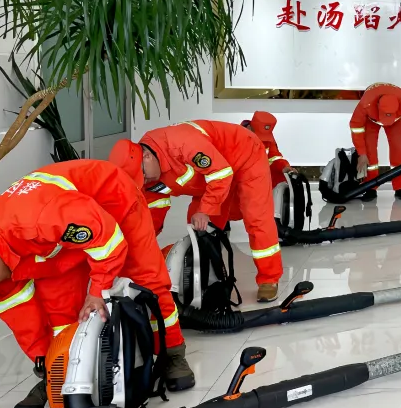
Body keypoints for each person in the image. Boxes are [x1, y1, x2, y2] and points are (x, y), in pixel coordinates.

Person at [0, 161, 195, 408]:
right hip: (57, 240)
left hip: (114, 202)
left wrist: (97, 289)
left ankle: (172, 353)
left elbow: (107, 240)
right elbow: (23, 321)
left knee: (147, 282)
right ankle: (63, 372)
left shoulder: (38, 218)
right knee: (60, 313)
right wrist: (49, 367)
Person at [110, 120, 284, 303]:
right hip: (212, 178)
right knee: (198, 230)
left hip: (244, 154)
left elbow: (221, 173)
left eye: (143, 175)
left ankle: (269, 279)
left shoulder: (181, 143)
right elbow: (151, 216)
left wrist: (206, 209)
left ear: (147, 156)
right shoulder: (146, 177)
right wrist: (137, 249)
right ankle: (209, 277)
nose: (144, 181)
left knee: (256, 217)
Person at [242, 111, 293, 188]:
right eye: (259, 136)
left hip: (261, 183)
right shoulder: (236, 138)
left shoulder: (268, 138)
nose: (261, 140)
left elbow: (274, 157)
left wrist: (284, 167)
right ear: (249, 128)